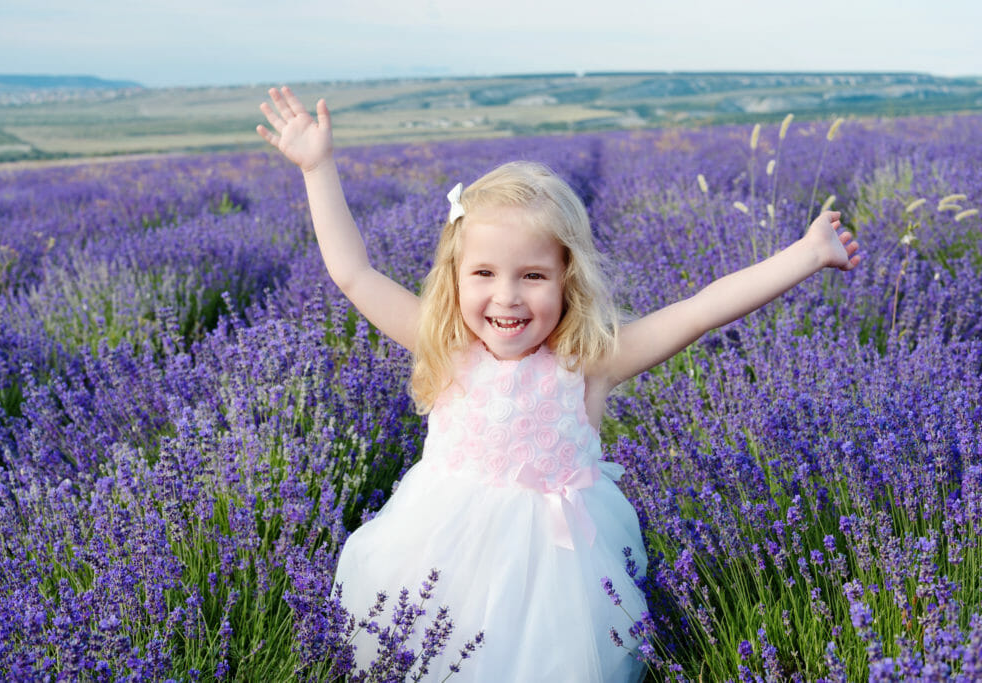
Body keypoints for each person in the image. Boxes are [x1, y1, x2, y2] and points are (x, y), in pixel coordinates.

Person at [257, 86, 861, 682]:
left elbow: (700, 310)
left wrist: (807, 255)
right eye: (485, 273)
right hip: (439, 554)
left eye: (533, 275)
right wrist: (318, 167)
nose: (507, 296)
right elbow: (354, 273)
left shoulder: (589, 361)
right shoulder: (445, 344)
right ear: (456, 277)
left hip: (559, 574)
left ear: (568, 280)